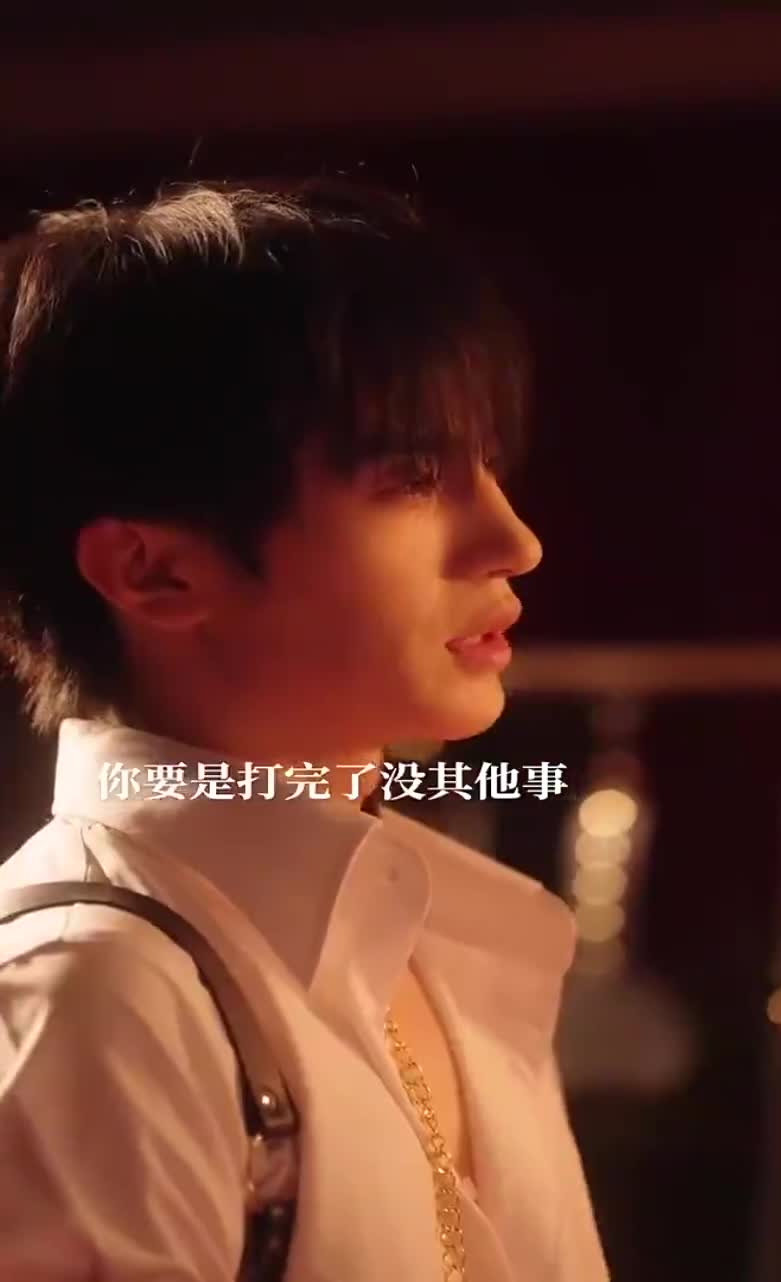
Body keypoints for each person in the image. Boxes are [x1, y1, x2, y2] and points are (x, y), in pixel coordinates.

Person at [0, 178, 609, 1281]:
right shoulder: (85, 999)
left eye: (489, 465)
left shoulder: (454, 938)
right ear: (154, 569)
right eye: (413, 476)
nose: (511, 539)